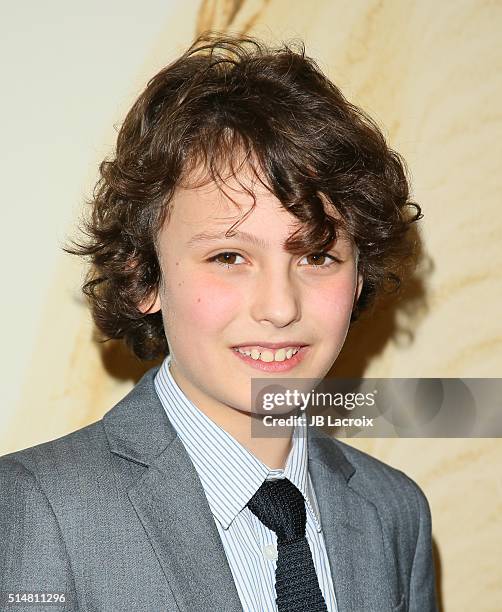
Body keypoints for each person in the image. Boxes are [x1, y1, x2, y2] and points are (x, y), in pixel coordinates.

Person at [0, 32, 438, 611]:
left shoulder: (395, 513)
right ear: (145, 277)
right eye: (228, 257)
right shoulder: (40, 507)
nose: (280, 307)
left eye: (316, 256)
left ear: (358, 277)